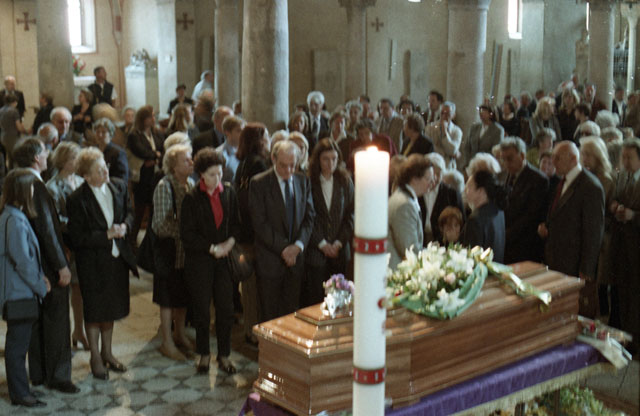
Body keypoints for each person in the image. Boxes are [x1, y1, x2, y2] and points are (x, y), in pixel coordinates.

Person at [12, 138, 78, 394]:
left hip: (33, 262)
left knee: (39, 320)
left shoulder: (18, 182)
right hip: (48, 263)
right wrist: (61, 265)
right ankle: (59, 376)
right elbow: (47, 230)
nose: (48, 154)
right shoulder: (37, 185)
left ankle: (39, 373)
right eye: (44, 150)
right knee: (57, 320)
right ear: (36, 157)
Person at [67, 148, 137, 380]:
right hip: (92, 263)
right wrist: (106, 234)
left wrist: (125, 226)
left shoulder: (118, 186)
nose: (106, 171)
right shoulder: (77, 199)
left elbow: (130, 212)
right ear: (86, 176)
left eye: (105, 166)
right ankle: (95, 357)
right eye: (99, 170)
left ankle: (108, 352)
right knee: (94, 310)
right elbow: (77, 238)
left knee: (111, 308)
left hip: (116, 260)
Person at [181, 148, 240, 374]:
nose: (218, 178)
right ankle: (204, 354)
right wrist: (212, 248)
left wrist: (229, 244)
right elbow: (187, 234)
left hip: (224, 260)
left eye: (220, 173)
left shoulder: (229, 193)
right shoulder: (192, 197)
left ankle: (224, 355)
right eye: (212, 174)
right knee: (202, 310)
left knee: (225, 308)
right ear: (201, 175)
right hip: (200, 261)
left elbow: (236, 224)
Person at [0, 169, 51, 407]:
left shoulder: (12, 216)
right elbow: (23, 261)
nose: (33, 191)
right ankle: (20, 394)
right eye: (30, 187)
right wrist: (40, 285)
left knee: (18, 344)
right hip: (18, 292)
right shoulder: (15, 221)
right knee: (17, 347)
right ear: (22, 191)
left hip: (18, 290)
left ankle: (22, 390)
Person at [249, 140, 315, 321]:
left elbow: (309, 217)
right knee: (269, 316)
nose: (288, 170)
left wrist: (298, 246)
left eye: (292, 165)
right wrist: (285, 249)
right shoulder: (259, 183)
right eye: (283, 165)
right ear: (273, 159)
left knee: (291, 315)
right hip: (270, 261)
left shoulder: (302, 181)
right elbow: (260, 223)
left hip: (296, 262)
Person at [537, 141, 604, 317]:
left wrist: (586, 269)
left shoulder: (590, 186)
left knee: (574, 310)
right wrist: (547, 227)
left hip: (574, 262)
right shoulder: (562, 182)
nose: (553, 162)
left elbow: (593, 232)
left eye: (558, 158)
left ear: (573, 159)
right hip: (557, 258)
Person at [151, 144, 195, 361]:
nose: (191, 162)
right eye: (186, 160)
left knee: (182, 294)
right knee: (167, 297)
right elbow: (159, 224)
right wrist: (186, 231)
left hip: (186, 252)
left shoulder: (191, 184)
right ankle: (167, 341)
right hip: (169, 252)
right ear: (174, 166)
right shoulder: (164, 186)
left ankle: (180, 333)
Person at [45, 142, 87, 351]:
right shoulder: (52, 187)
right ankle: (66, 334)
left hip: (84, 243)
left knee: (81, 289)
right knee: (68, 290)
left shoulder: (80, 181)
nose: (76, 162)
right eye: (73, 158)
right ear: (63, 161)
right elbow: (55, 220)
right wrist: (79, 224)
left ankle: (79, 329)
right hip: (67, 243)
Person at [304, 138, 354, 305]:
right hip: (316, 251)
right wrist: (323, 244)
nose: (330, 163)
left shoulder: (345, 181)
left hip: (340, 250)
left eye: (334, 158)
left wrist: (338, 243)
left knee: (339, 298)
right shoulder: (309, 182)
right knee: (316, 300)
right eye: (326, 159)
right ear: (318, 159)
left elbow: (351, 215)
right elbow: (308, 216)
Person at [607, 138, 640, 354]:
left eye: (630, 157)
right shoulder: (621, 177)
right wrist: (615, 206)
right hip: (621, 247)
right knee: (622, 294)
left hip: (636, 248)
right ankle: (626, 337)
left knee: (635, 296)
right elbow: (614, 199)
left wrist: (633, 216)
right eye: (623, 157)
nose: (625, 161)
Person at [579, 136, 615, 317]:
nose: (585, 159)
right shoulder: (582, 177)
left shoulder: (605, 181)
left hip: (599, 239)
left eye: (589, 155)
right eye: (583, 155)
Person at [500, 137, 549, 263]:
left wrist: (506, 234)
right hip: (507, 241)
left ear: (522, 156)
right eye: (503, 159)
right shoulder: (508, 175)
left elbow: (531, 216)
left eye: (509, 159)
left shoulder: (538, 179)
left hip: (525, 245)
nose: (506, 163)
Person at [388, 155, 435, 269]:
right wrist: (434, 257)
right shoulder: (404, 205)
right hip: (397, 272)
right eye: (428, 179)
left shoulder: (404, 197)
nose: (432, 183)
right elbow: (409, 249)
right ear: (414, 179)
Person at [127, 105, 164, 246]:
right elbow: (141, 151)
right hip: (142, 178)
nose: (154, 118)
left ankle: (150, 243)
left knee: (154, 212)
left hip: (156, 176)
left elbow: (163, 150)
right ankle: (132, 241)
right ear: (143, 119)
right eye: (151, 116)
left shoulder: (157, 133)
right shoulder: (134, 135)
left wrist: (154, 159)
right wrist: (156, 155)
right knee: (139, 211)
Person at [461, 170, 506, 263]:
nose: (465, 191)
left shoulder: (475, 219)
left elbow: (472, 259)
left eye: (468, 187)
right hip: (497, 267)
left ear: (480, 191)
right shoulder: (499, 211)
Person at [420, 153, 465, 244]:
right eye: (433, 173)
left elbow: (461, 221)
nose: (435, 178)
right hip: (420, 238)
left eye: (439, 174)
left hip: (443, 242)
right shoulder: (418, 191)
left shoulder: (451, 194)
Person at [425, 101, 462, 170]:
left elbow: (452, 150)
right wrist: (448, 153)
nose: (444, 116)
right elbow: (429, 147)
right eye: (442, 113)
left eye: (447, 114)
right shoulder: (430, 127)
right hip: (433, 165)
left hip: (448, 167)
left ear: (453, 115)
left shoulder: (457, 131)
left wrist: (444, 132)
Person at [93, 118, 129, 182]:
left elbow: (122, 179)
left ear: (110, 134)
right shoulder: (92, 150)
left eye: (103, 132)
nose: (100, 135)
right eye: (97, 132)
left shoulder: (119, 153)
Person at [0, 95, 27, 167]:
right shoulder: (14, 111)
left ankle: (10, 171)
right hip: (13, 137)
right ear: (14, 102)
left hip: (3, 136)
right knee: (16, 158)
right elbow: (18, 127)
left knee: (9, 158)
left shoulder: (1, 110)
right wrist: (26, 132)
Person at [217, 115, 245, 181]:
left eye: (243, 131)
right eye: (239, 131)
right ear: (227, 133)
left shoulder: (246, 151)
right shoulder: (220, 154)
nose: (243, 134)